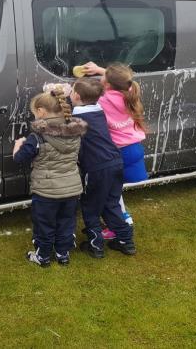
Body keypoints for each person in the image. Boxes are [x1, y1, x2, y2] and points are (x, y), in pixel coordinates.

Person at [13, 86, 87, 267]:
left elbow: (19, 158)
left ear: (41, 112)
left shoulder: (36, 137)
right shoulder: (75, 132)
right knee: (66, 221)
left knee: (44, 224)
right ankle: (63, 254)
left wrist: (18, 144)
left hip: (46, 192)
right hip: (71, 188)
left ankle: (43, 256)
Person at [70, 77, 136, 257]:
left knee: (90, 206)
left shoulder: (77, 119)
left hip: (96, 168)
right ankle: (126, 242)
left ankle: (95, 246)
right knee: (111, 204)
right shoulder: (99, 111)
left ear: (75, 96)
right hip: (115, 162)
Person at [82, 62, 147, 238]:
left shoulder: (103, 100)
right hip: (135, 148)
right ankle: (121, 219)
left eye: (103, 77)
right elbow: (123, 80)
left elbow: (87, 99)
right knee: (115, 191)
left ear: (108, 84)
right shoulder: (129, 92)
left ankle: (121, 223)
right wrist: (100, 71)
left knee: (111, 193)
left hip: (118, 152)